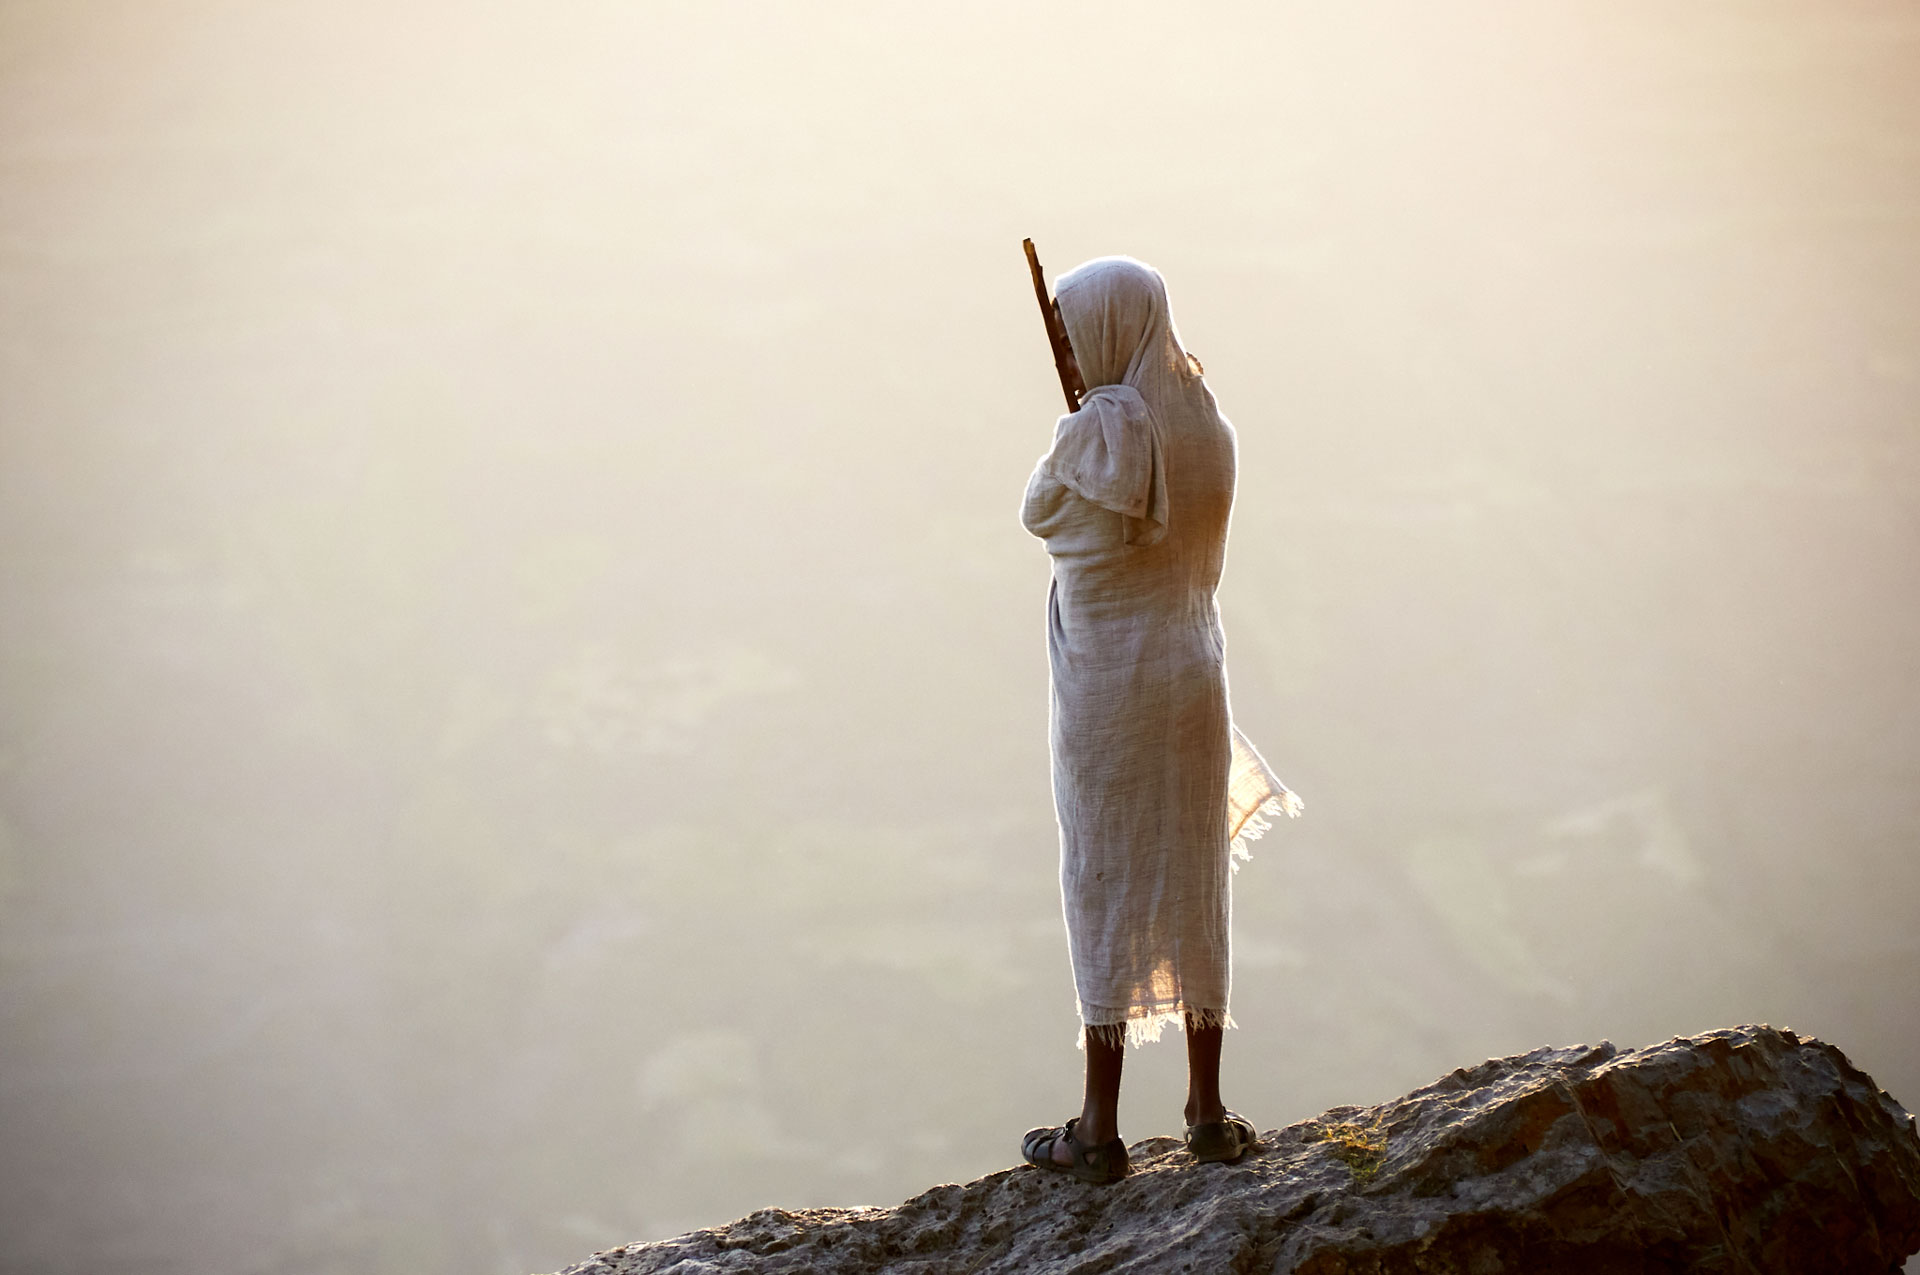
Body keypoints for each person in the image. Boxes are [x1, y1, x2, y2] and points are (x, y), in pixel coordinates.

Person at [1017, 255, 1299, 1185]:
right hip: (1192, 676)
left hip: (1109, 697)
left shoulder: (1099, 439)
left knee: (1104, 881)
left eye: (1072, 331)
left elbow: (1042, 517)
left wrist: (1081, 424)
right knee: (1194, 880)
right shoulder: (1209, 427)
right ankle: (1208, 1113)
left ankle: (1097, 1129)